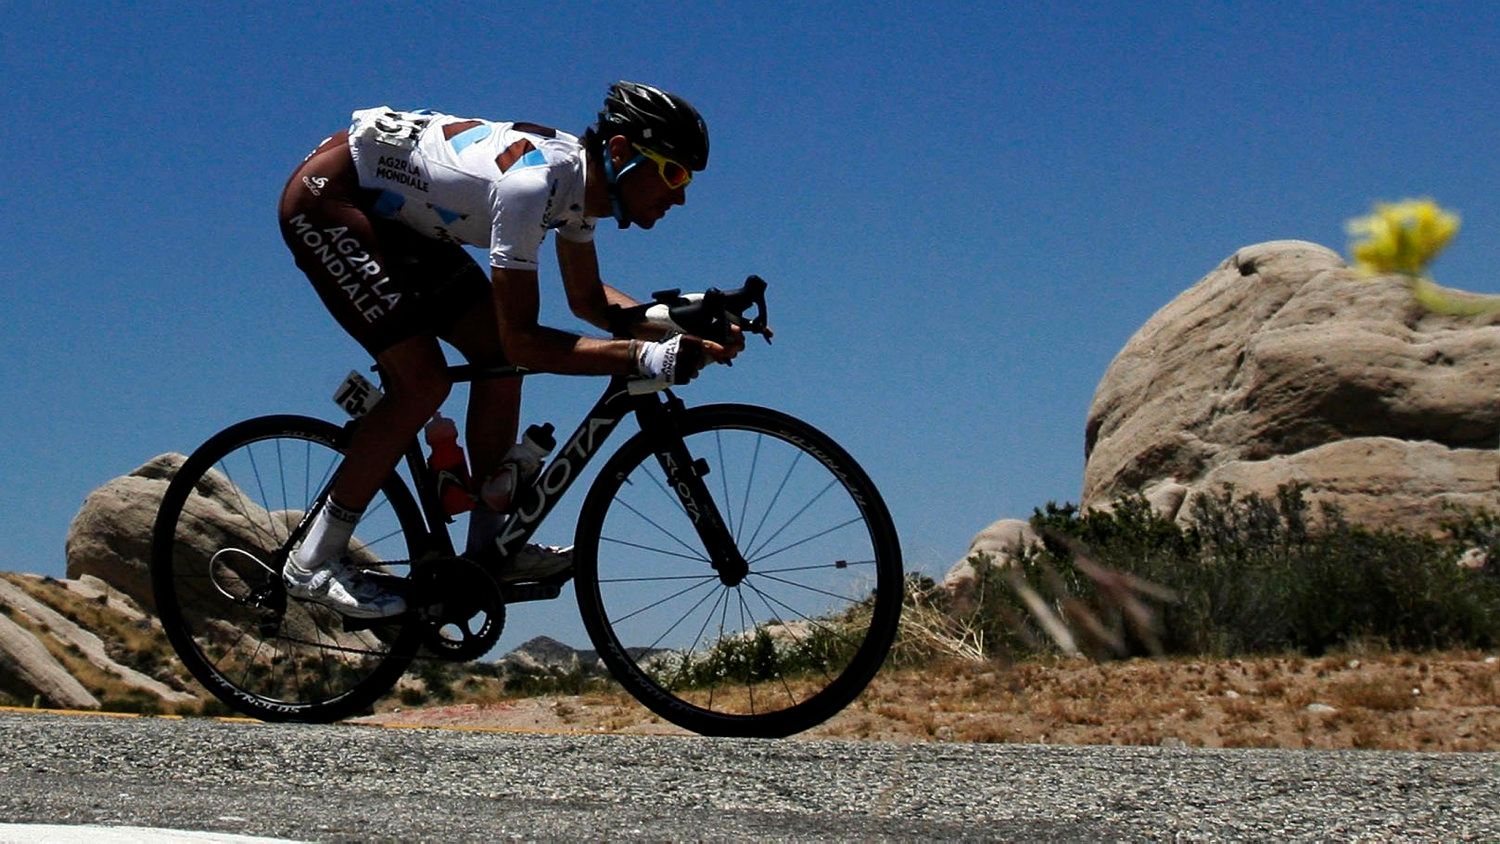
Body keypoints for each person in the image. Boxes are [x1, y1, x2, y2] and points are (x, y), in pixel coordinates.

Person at [275, 81, 742, 619]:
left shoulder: (577, 189)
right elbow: (526, 338)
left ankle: (489, 548)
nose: (680, 195)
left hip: (397, 217)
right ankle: (312, 560)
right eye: (674, 173)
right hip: (330, 198)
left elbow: (589, 301)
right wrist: (642, 357)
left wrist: (681, 320)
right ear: (619, 152)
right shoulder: (531, 187)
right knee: (424, 381)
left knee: (499, 361)